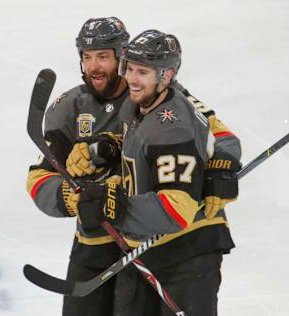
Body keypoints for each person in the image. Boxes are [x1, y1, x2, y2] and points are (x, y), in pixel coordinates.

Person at [73, 30, 242, 316]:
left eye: (143, 72)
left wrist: (112, 207)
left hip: (187, 251)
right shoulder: (139, 103)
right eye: (129, 68)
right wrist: (107, 148)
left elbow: (176, 211)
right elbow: (140, 147)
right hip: (144, 246)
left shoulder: (172, 125)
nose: (132, 79)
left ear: (166, 75)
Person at [26, 17, 130, 316]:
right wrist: (68, 199)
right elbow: (40, 177)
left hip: (148, 242)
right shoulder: (69, 107)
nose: (93, 66)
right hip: (93, 245)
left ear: (122, 57)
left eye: (102, 56)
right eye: (87, 57)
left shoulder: (146, 95)